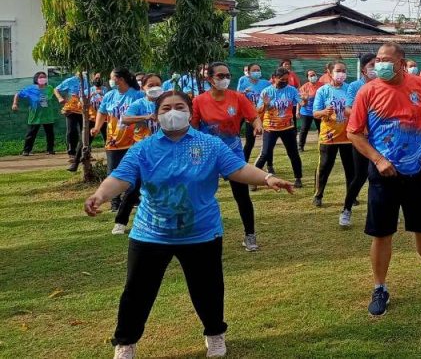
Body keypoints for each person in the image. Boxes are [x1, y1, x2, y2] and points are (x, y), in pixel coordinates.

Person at [84, 90, 293, 359]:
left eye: (179, 107)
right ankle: (126, 342)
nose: (173, 113)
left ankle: (215, 334)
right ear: (156, 115)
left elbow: (238, 169)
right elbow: (120, 177)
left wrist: (266, 178)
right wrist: (100, 195)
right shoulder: (143, 149)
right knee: (137, 292)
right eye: (166, 108)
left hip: (201, 233)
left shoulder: (210, 145)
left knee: (208, 289)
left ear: (190, 112)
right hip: (151, 233)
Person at [346, 41, 421, 317]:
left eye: (385, 59)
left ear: (400, 62)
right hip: (384, 174)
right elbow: (353, 133)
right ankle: (380, 288)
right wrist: (378, 160)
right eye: (377, 60)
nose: (379, 64)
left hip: (417, 171)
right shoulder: (368, 91)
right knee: (382, 233)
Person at [191, 62, 267, 252]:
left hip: (232, 151)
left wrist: (257, 125)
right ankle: (196, 235)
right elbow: (193, 128)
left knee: (241, 195)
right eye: (220, 76)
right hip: (206, 152)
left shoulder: (238, 97)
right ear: (210, 78)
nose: (224, 79)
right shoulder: (199, 101)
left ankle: (250, 235)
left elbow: (253, 116)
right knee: (199, 193)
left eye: (227, 76)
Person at [111, 74, 164, 235]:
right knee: (134, 187)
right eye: (150, 85)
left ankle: (165, 221)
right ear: (143, 87)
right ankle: (120, 222)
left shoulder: (166, 102)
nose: (155, 88)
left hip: (165, 151)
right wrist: (146, 117)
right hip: (143, 152)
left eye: (158, 84)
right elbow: (125, 119)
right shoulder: (139, 104)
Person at [91, 69, 144, 212]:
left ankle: (132, 198)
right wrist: (97, 127)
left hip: (133, 140)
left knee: (135, 170)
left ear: (120, 79)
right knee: (113, 171)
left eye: (112, 78)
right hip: (113, 140)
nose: (110, 81)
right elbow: (102, 112)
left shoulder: (137, 95)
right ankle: (115, 202)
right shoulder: (109, 95)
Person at [312, 62, 355, 219]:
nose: (341, 74)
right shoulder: (323, 91)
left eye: (344, 71)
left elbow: (355, 109)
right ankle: (318, 195)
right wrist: (324, 111)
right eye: (338, 71)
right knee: (324, 166)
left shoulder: (350, 89)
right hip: (329, 136)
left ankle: (352, 196)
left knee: (351, 169)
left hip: (348, 136)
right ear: (329, 72)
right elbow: (315, 113)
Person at [254, 67, 305, 187]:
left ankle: (298, 178)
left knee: (293, 154)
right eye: (282, 79)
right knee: (265, 154)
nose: (285, 82)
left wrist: (305, 100)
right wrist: (265, 105)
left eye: (287, 79)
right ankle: (254, 180)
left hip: (287, 128)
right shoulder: (266, 92)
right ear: (274, 78)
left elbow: (301, 102)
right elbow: (258, 110)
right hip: (271, 128)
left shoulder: (291, 90)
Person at [342, 54, 377, 216]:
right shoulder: (355, 86)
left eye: (378, 64)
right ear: (363, 69)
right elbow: (347, 109)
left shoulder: (384, 85)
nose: (376, 68)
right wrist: (364, 117)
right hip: (361, 137)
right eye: (372, 65)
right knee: (361, 175)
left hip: (381, 137)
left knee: (381, 175)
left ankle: (385, 210)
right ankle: (346, 209)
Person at [12, 71, 58, 157]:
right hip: (35, 115)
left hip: (48, 115)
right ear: (36, 79)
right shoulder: (30, 89)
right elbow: (18, 94)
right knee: (31, 134)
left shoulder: (50, 88)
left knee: (50, 134)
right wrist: (15, 103)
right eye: (40, 77)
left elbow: (56, 92)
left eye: (44, 77)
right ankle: (26, 151)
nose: (43, 79)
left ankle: (50, 150)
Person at [237, 64, 273, 170]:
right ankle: (243, 165)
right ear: (248, 72)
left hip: (265, 116)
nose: (256, 72)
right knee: (249, 143)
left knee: (268, 143)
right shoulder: (243, 82)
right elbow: (238, 97)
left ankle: (270, 165)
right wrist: (244, 93)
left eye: (258, 70)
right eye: (254, 70)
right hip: (251, 117)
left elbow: (272, 95)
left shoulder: (266, 83)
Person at [55, 72, 90, 171]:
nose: (82, 73)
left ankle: (86, 152)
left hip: (84, 110)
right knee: (72, 130)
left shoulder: (87, 81)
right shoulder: (70, 80)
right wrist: (60, 98)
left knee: (85, 131)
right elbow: (56, 89)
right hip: (71, 110)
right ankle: (72, 153)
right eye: (80, 71)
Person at [298, 69, 322, 152]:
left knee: (321, 129)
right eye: (311, 75)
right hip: (306, 112)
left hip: (318, 111)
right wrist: (297, 111)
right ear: (307, 78)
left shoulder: (322, 86)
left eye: (314, 75)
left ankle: (322, 145)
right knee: (304, 129)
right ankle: (300, 146)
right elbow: (300, 102)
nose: (313, 77)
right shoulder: (304, 87)